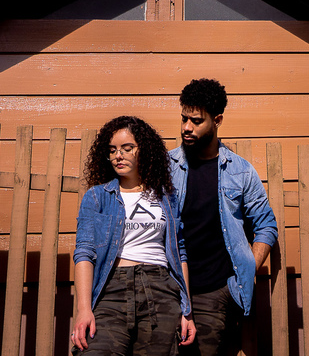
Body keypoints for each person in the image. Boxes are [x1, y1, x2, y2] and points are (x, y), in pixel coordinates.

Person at [168, 78, 278, 356]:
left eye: (196, 120)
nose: (186, 127)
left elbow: (265, 224)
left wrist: (247, 266)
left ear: (217, 120)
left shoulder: (240, 171)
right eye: (183, 118)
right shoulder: (166, 167)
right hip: (166, 287)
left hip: (213, 291)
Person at [73, 116, 197, 355]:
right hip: (112, 290)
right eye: (112, 150)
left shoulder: (166, 197)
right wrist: (83, 310)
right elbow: (84, 253)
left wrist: (187, 310)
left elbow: (179, 253)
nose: (118, 155)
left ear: (144, 150)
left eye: (127, 148)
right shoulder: (97, 196)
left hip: (160, 289)